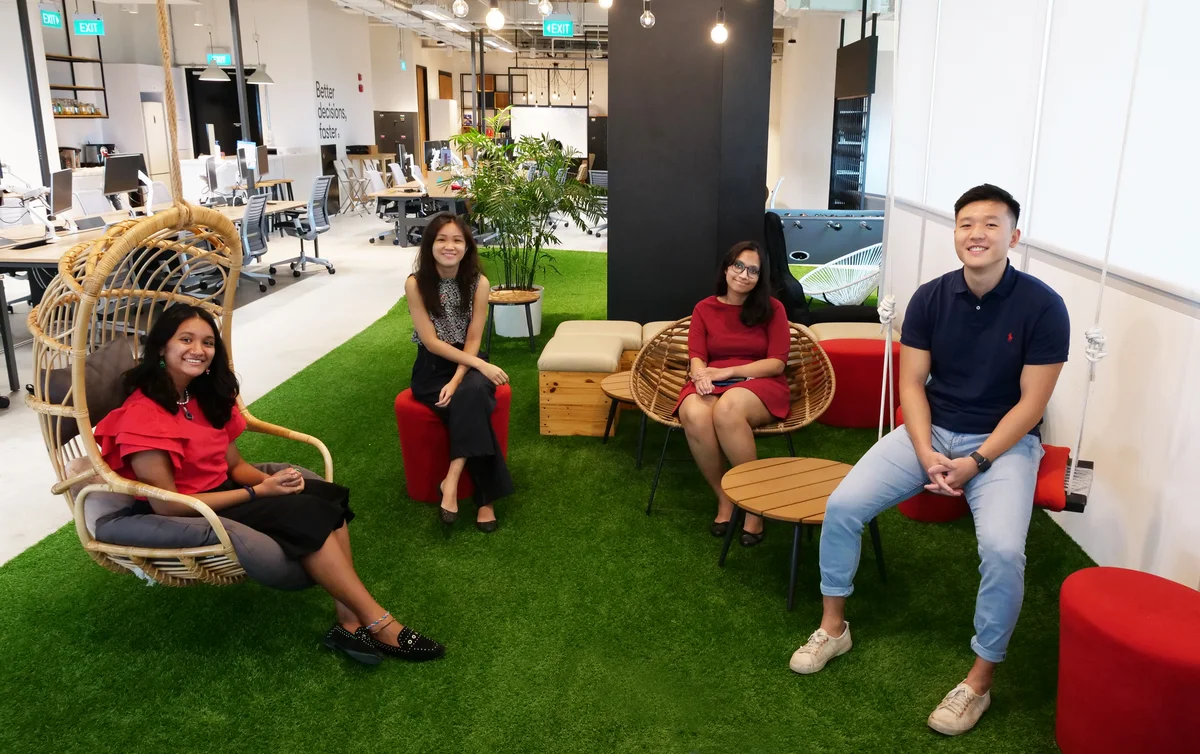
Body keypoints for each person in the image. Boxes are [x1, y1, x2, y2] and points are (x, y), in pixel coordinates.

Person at [789, 184, 1070, 736]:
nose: (977, 234)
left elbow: (1032, 402)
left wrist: (977, 463)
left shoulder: (1043, 306)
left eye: (991, 224)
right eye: (966, 223)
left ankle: (979, 681)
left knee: (1004, 549)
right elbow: (913, 384)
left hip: (1004, 443)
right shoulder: (930, 298)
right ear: (956, 234)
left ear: (1013, 236)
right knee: (843, 504)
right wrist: (925, 451)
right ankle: (833, 626)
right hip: (931, 429)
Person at [91, 304, 445, 665]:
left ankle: (349, 622)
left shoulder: (205, 395)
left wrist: (273, 481)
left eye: (208, 342)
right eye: (185, 339)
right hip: (192, 509)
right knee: (306, 514)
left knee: (325, 496)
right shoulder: (142, 415)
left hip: (227, 489)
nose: (198, 350)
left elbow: (236, 465)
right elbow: (167, 504)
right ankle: (380, 622)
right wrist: (259, 492)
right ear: (162, 347)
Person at [676, 241, 792, 546]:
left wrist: (727, 372)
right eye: (738, 266)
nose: (744, 274)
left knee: (728, 409)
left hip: (759, 382)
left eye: (753, 270)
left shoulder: (773, 309)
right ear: (727, 268)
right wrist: (700, 374)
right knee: (694, 412)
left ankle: (754, 506)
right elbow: (696, 354)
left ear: (760, 277)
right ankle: (726, 498)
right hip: (713, 380)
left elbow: (777, 362)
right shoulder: (704, 308)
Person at [404, 213, 513, 532]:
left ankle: (450, 481)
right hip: (432, 367)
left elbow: (474, 339)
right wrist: (479, 365)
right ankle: (486, 500)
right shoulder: (416, 283)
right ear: (430, 245)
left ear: (467, 247)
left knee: (471, 393)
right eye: (441, 239)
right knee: (475, 403)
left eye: (457, 240)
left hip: (467, 359)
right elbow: (431, 341)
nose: (449, 246)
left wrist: (458, 378)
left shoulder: (479, 283)